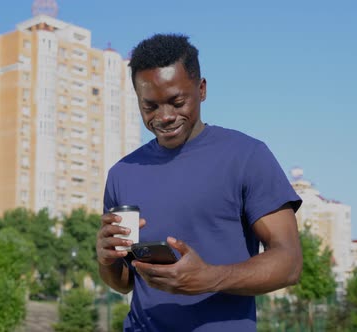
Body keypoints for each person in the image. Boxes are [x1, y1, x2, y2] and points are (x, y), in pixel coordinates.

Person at [96, 33, 303, 332]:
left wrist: (209, 278)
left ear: (202, 89)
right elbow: (125, 283)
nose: (164, 117)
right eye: (150, 106)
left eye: (176, 101)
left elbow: (290, 262)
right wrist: (106, 260)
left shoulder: (247, 156)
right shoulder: (122, 173)